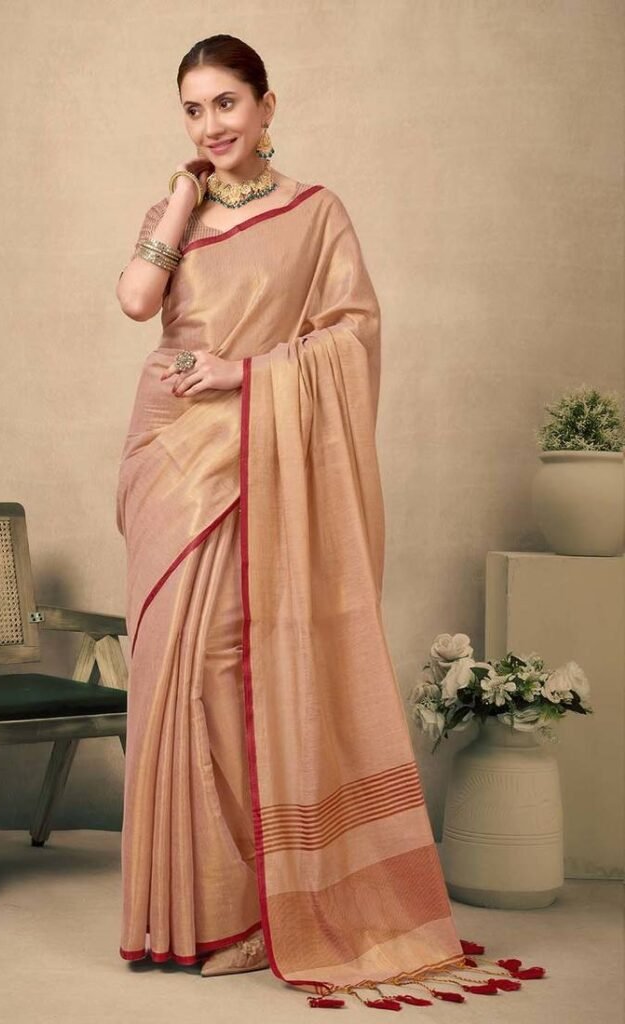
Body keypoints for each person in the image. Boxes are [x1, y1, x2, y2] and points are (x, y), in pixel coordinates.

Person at [114, 33, 541, 1010]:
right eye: (192, 109)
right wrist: (178, 199)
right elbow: (137, 299)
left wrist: (247, 374)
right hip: (169, 463)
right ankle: (186, 913)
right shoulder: (175, 209)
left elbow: (351, 337)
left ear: (267, 106)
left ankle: (252, 906)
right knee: (171, 672)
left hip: (255, 459)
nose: (210, 124)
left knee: (229, 668)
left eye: (227, 103)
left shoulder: (315, 214)